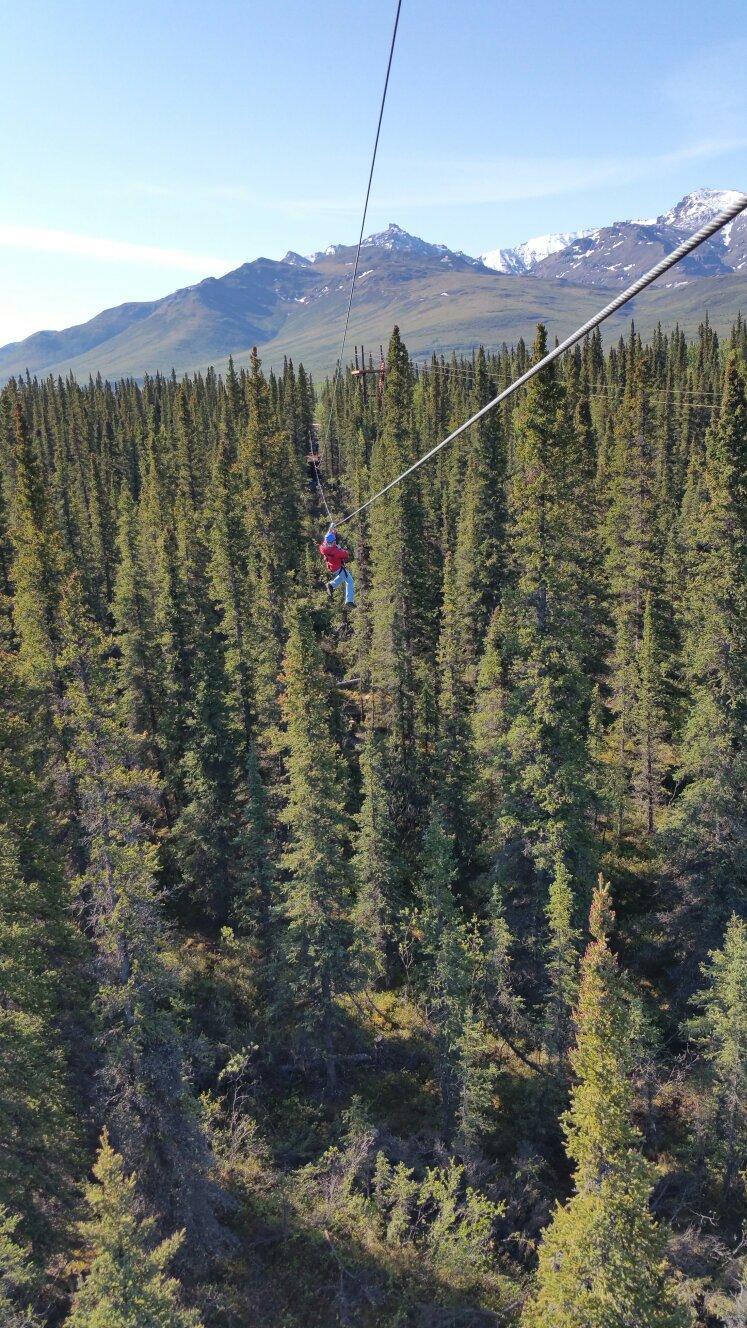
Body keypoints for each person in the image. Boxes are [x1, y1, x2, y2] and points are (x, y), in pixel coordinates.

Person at [319, 524, 356, 607]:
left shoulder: (323, 548)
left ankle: (331, 585)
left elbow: (326, 536)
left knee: (343, 577)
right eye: (334, 542)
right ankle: (349, 600)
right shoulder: (336, 551)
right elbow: (346, 555)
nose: (335, 543)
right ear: (332, 542)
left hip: (332, 567)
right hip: (338, 568)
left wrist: (331, 528)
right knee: (350, 581)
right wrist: (340, 548)